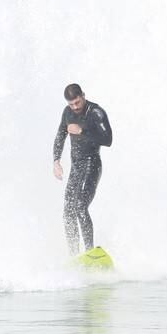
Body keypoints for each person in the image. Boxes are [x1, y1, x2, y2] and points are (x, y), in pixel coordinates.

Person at [53, 83, 112, 254]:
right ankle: (74, 254)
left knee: (80, 206)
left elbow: (108, 139)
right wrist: (56, 161)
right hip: (76, 167)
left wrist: (82, 131)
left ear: (83, 96)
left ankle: (90, 252)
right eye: (71, 104)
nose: (75, 107)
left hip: (91, 164)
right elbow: (60, 135)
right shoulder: (67, 112)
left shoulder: (96, 112)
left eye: (77, 102)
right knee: (68, 210)